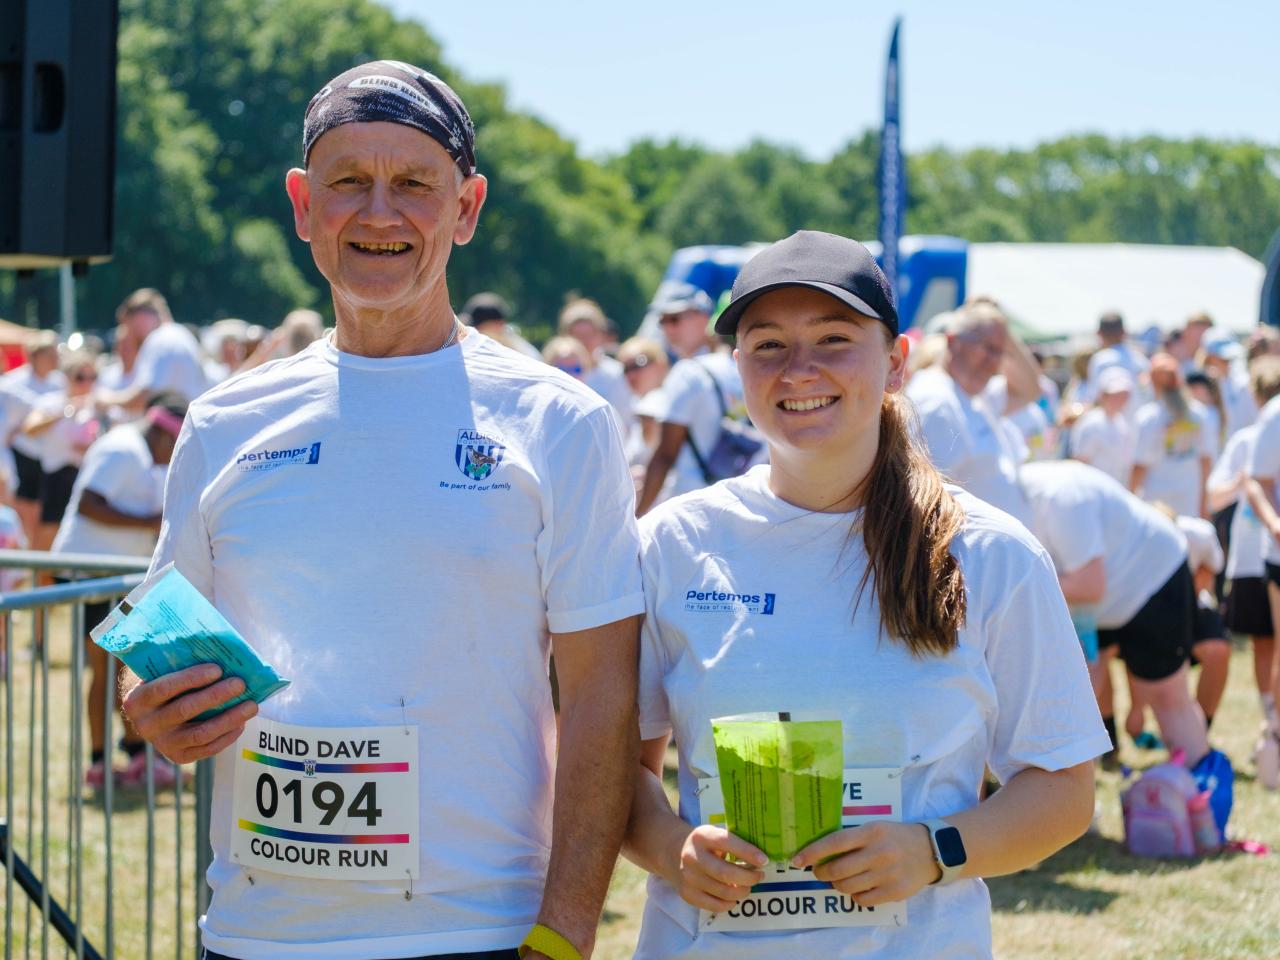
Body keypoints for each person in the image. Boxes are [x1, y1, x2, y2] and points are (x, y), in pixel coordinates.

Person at [121, 60, 641, 960]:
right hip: (260, 933)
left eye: (413, 185)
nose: (379, 215)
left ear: (467, 207)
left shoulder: (559, 421)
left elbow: (602, 698)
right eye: (349, 183)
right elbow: (156, 649)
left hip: (475, 928)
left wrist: (565, 936)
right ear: (303, 204)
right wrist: (151, 706)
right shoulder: (223, 421)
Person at [625, 231, 1105, 959]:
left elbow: (1065, 786)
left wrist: (935, 849)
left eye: (834, 338)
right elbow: (613, 769)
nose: (800, 370)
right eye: (769, 346)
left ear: (897, 362)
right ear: (736, 369)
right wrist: (671, 848)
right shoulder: (670, 546)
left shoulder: (991, 554)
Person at [52, 394, 187, 788]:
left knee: (124, 666)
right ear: (163, 432)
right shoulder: (122, 449)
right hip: (89, 574)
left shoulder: (138, 453)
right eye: (174, 446)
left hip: (110, 575)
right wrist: (150, 522)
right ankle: (101, 760)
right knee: (107, 667)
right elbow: (89, 505)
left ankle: (133, 754)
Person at [904, 298, 1041, 527]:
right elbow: (923, 500)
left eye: (1000, 352)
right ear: (953, 342)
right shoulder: (937, 401)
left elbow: (1031, 388)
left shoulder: (976, 396)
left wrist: (1000, 326)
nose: (994, 361)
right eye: (987, 348)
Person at [636, 285, 750, 515]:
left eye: (675, 319)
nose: (667, 328)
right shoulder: (743, 368)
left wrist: (637, 518)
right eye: (662, 320)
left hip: (691, 506)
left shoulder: (688, 372)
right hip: (740, 502)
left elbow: (665, 455)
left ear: (704, 318)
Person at [20, 351, 101, 550]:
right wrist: (66, 410)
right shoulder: (51, 402)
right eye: (81, 377)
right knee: (47, 541)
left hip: (87, 480)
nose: (87, 383)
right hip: (56, 480)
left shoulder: (98, 405)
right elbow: (30, 428)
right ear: (68, 377)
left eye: (92, 377)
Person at [1130, 352, 1214, 518]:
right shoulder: (1199, 414)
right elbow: (1206, 460)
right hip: (1189, 497)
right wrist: (1204, 502)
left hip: (1156, 501)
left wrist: (1129, 497)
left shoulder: (1149, 418)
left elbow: (1140, 466)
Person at [97, 288, 208, 410]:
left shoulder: (160, 339)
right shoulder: (178, 334)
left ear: (141, 318)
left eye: (130, 327)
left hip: (178, 423)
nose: (131, 336)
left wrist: (108, 400)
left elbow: (144, 398)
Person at [3, 331, 65, 544]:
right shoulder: (12, 383)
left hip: (52, 457)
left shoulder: (60, 382)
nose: (56, 359)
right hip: (22, 456)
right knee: (24, 510)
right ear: (36, 355)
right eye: (50, 354)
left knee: (45, 512)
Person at [559, 298, 631, 423]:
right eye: (578, 336)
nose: (584, 342)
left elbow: (624, 419)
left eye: (590, 335)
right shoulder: (557, 372)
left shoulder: (615, 374)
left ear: (601, 335)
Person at [1069, 367, 1135, 484]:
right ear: (1103, 395)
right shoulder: (1091, 423)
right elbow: (1080, 462)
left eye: (1124, 395)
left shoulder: (1122, 422)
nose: (1121, 399)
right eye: (1115, 395)